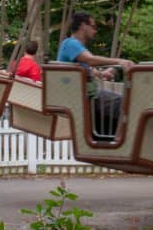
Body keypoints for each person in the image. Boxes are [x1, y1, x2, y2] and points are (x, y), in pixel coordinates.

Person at [57, 11, 134, 140]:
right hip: (85, 97)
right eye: (93, 26)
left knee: (121, 101)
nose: (95, 31)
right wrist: (119, 61)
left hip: (88, 96)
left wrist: (103, 74)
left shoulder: (75, 48)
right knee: (126, 102)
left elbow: (88, 68)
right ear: (83, 25)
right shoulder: (71, 43)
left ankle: (110, 138)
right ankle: (122, 140)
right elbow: (90, 60)